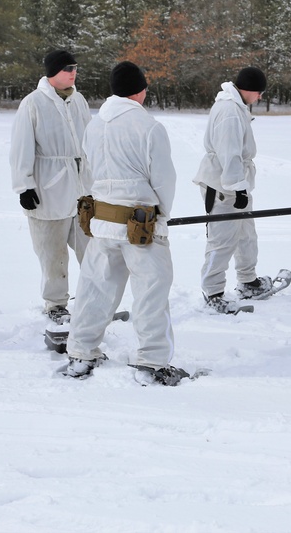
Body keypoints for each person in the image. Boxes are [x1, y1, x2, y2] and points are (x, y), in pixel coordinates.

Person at [64, 61, 187, 385]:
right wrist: (163, 217)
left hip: (102, 222)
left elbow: (90, 173)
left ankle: (80, 353)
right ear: (141, 89)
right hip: (141, 227)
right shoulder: (148, 127)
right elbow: (164, 180)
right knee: (150, 293)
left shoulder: (94, 125)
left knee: (94, 289)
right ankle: (152, 362)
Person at [10, 50, 92, 324]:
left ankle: (94, 300)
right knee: (52, 254)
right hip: (48, 189)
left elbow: (90, 141)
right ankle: (56, 305)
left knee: (93, 250)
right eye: (67, 68)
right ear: (52, 72)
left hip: (81, 190)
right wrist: (24, 186)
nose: (72, 72)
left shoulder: (78, 100)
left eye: (75, 68)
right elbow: (21, 146)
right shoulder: (33, 103)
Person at [193, 67, 275, 314]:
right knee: (222, 240)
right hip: (223, 186)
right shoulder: (229, 111)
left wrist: (241, 188)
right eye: (259, 92)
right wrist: (237, 188)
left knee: (245, 235)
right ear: (249, 89)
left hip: (236, 184)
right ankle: (213, 292)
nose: (260, 97)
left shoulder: (237, 106)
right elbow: (229, 153)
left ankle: (248, 281)